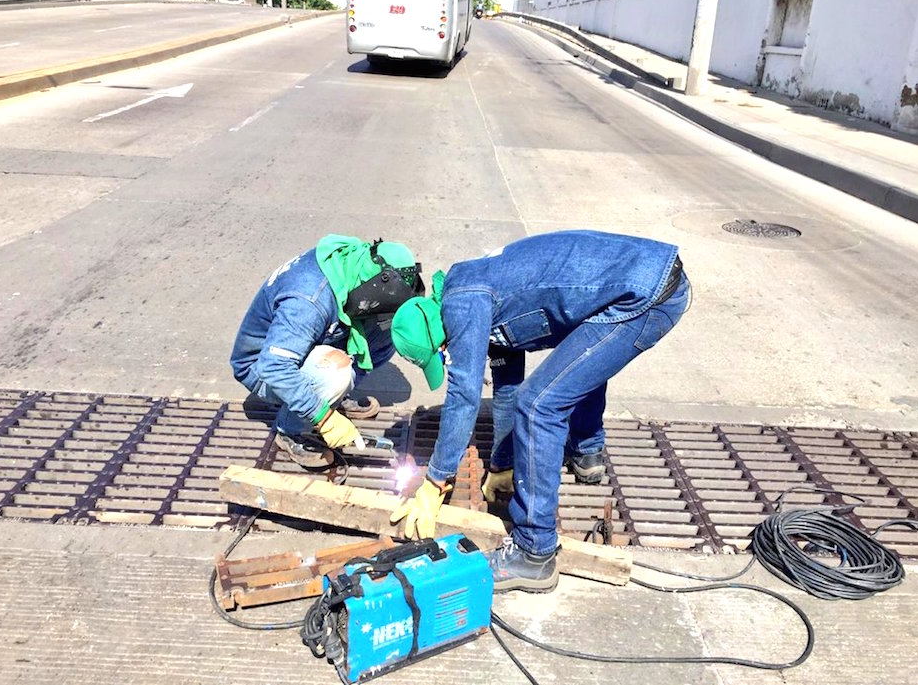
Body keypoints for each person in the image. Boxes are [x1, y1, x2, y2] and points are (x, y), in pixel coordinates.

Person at [388, 230, 689, 593]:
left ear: (440, 335)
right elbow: (506, 380)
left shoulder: (464, 304)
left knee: (539, 405)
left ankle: (534, 552)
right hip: (645, 277)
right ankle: (587, 450)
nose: (450, 359)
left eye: (443, 355)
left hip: (646, 296)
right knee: (575, 364)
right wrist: (502, 463)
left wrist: (435, 481)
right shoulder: (479, 291)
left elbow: (464, 396)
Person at [230, 235, 423, 460]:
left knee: (386, 329)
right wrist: (324, 418)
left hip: (306, 340)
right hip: (263, 368)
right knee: (337, 376)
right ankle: (290, 430)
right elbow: (273, 367)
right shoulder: (308, 302)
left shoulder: (354, 264)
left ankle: (333, 397)